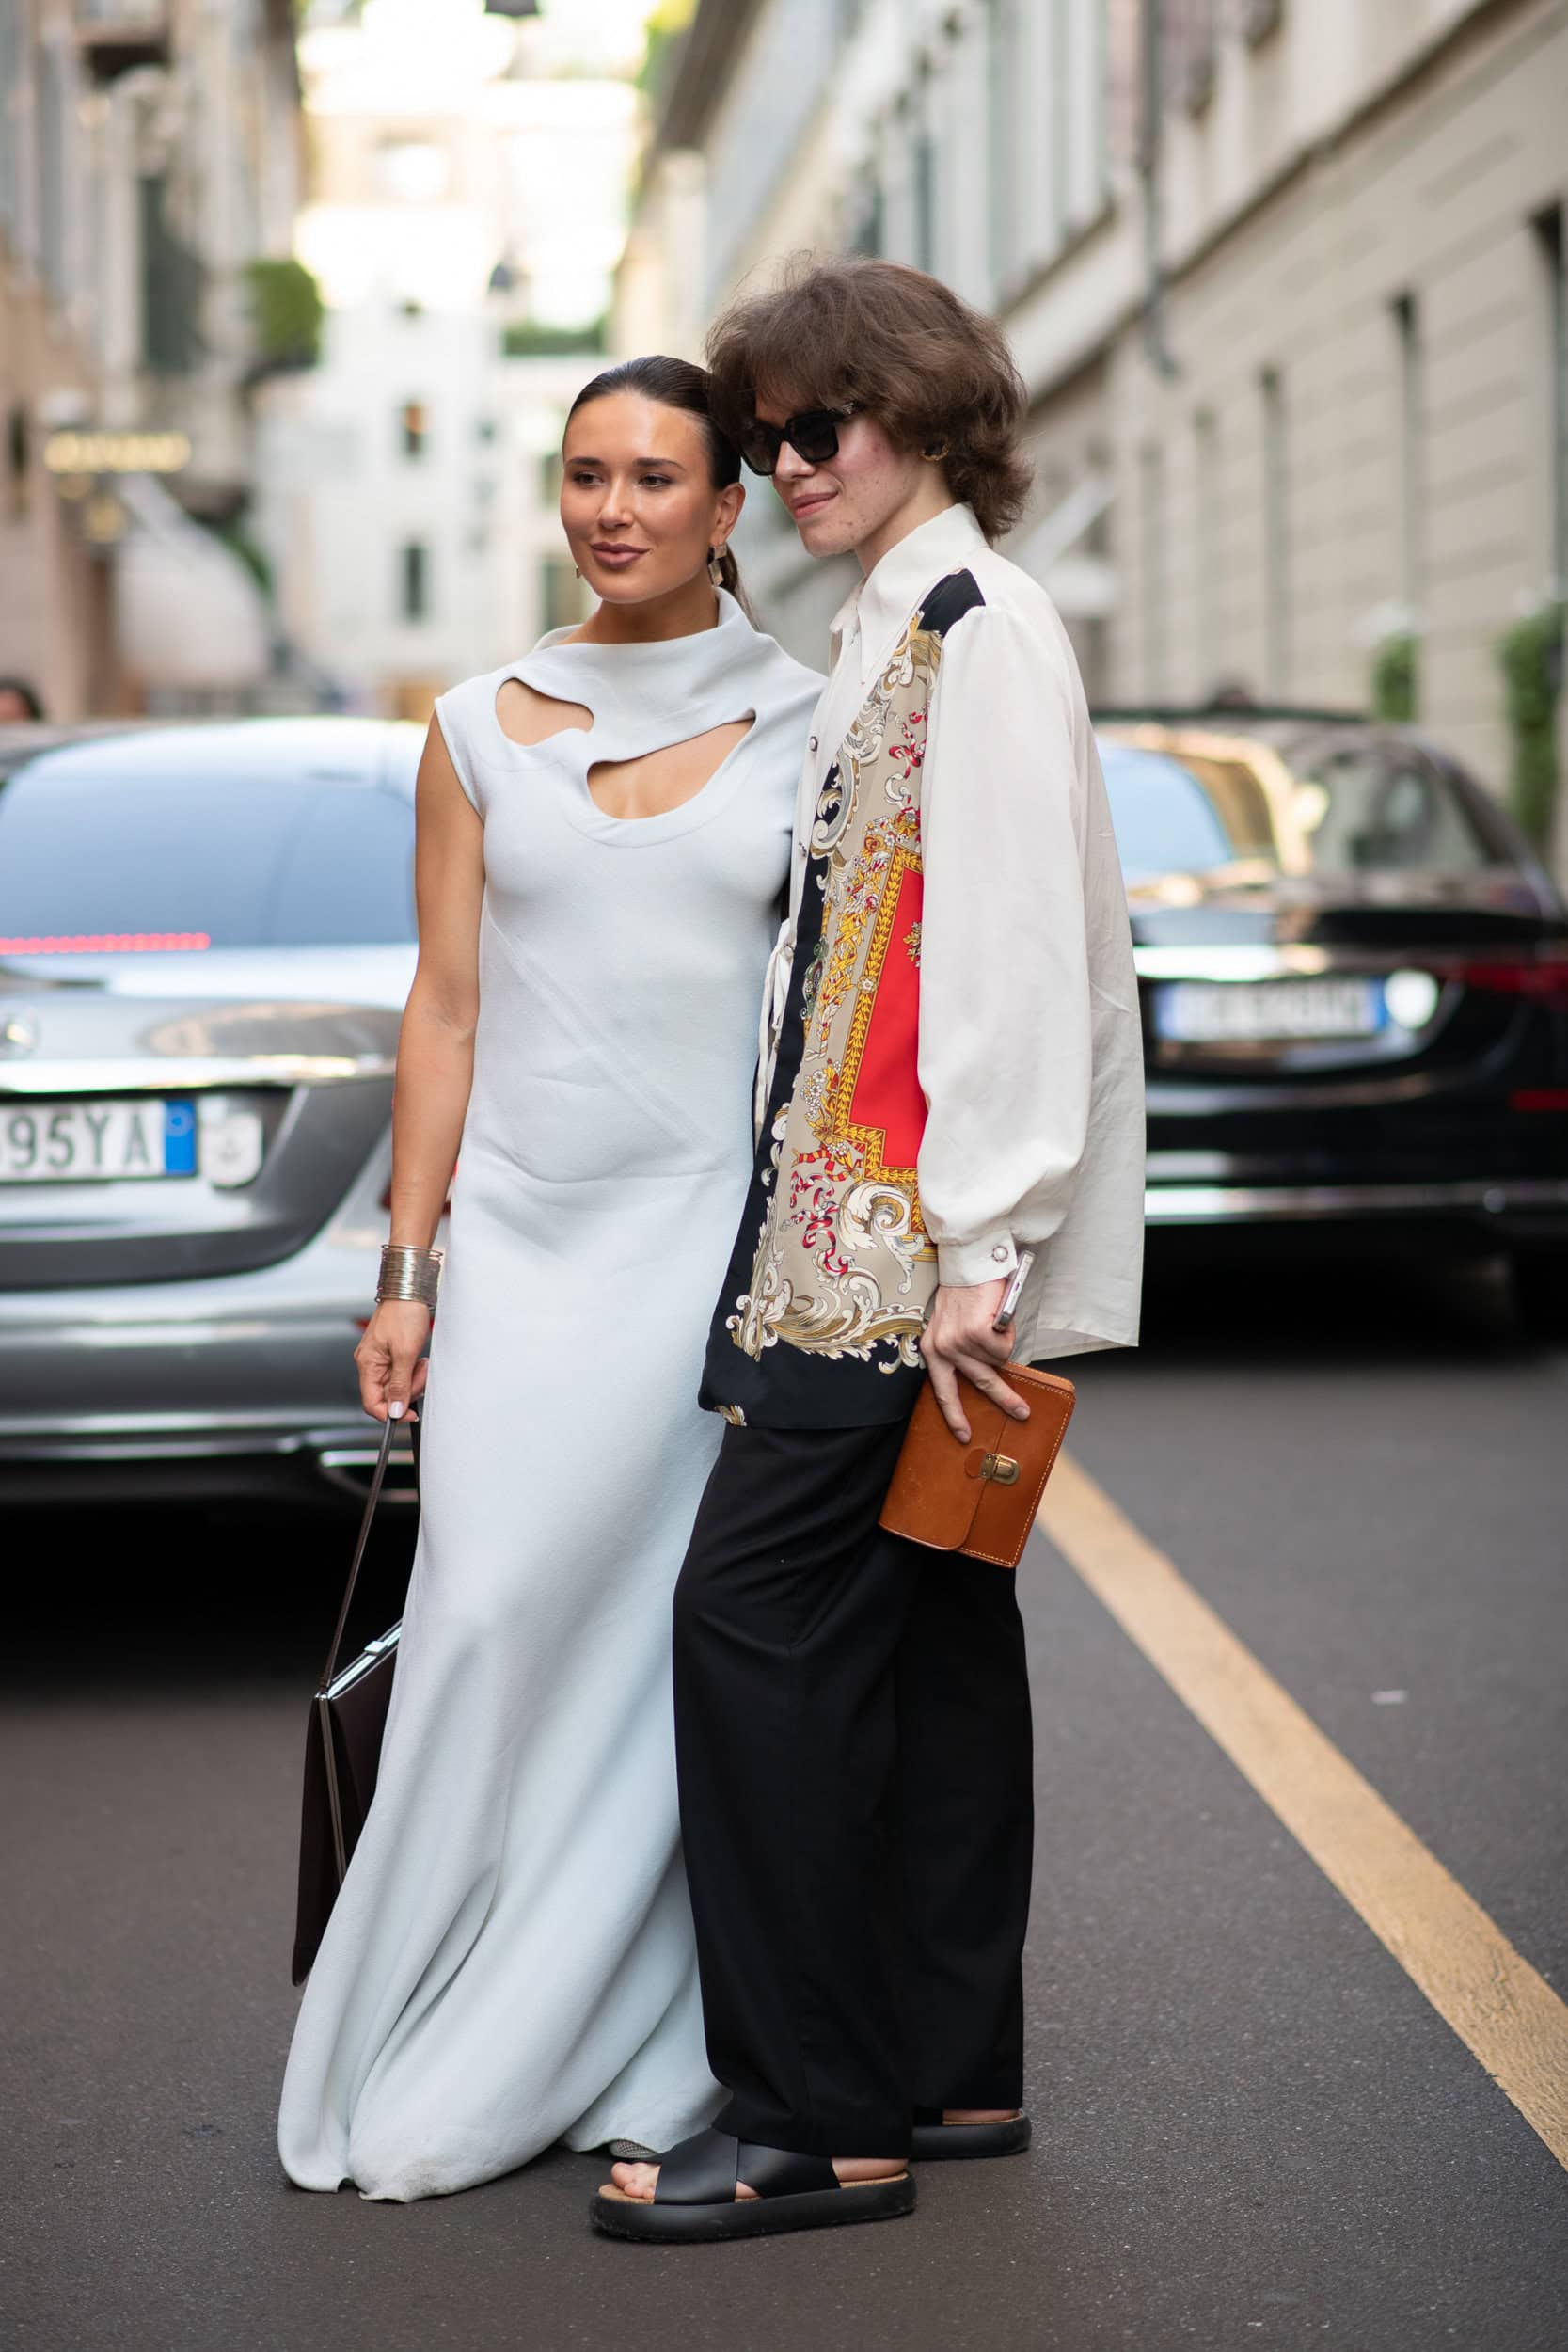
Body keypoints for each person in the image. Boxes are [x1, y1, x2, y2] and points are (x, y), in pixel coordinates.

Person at [594, 260, 1146, 2243]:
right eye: (767, 440)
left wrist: (985, 1242)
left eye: (816, 426)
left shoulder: (973, 625)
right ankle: (947, 2058)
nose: (791, 463)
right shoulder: (904, 621)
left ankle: (817, 2115)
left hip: (892, 1246)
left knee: (749, 1626)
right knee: (926, 1632)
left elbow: (1007, 947)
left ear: (913, 410)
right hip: (872, 1222)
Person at [277, 357, 822, 2201]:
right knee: (493, 1613)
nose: (614, 508)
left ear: (727, 506)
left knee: (663, 1647)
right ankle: (430, 2009)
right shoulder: (475, 724)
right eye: (587, 473)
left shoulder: (808, 720)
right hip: (522, 1243)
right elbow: (445, 1008)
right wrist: (407, 1266)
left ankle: (632, 2025)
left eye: (655, 476)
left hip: (704, 1249)